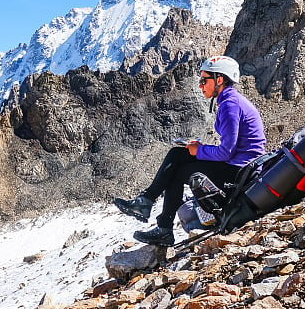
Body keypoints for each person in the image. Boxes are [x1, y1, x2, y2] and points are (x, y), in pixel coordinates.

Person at [113, 55, 266, 246]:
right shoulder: (230, 101)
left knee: (178, 172)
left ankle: (157, 220)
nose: (200, 85)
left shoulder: (230, 106)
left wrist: (199, 151)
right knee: (178, 154)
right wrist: (196, 149)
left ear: (219, 80)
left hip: (240, 171)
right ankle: (148, 206)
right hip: (241, 166)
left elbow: (226, 152)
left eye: (204, 80)